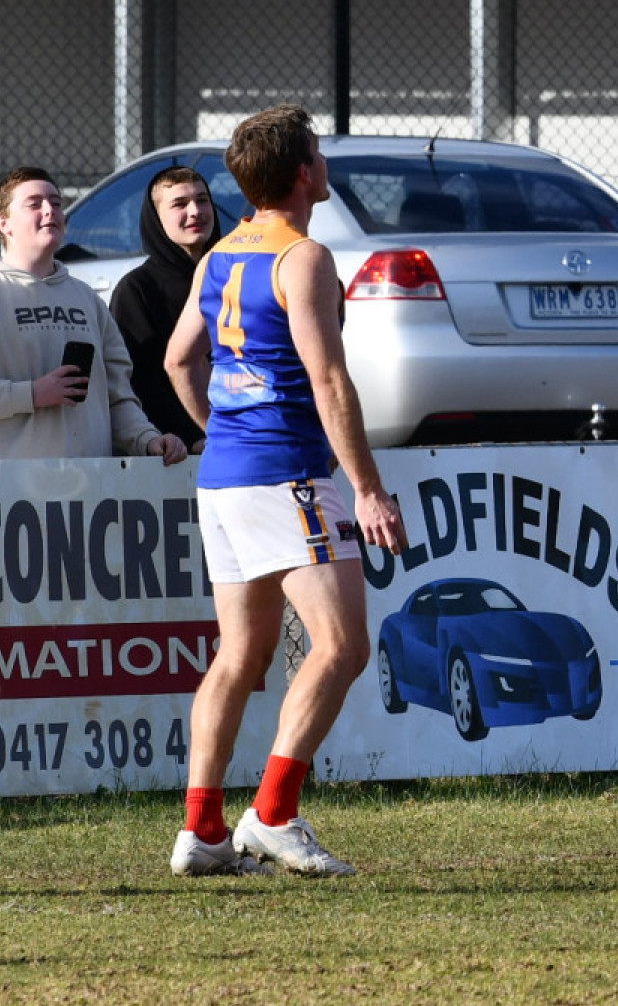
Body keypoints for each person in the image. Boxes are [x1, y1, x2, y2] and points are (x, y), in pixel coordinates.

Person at [163, 105, 407, 878]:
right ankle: (272, 813)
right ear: (303, 171)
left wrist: (222, 425)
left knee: (241, 652)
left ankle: (202, 830)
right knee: (341, 644)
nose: (324, 161)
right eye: (320, 150)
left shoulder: (219, 254)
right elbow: (330, 378)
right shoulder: (302, 257)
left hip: (226, 477)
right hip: (287, 472)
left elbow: (177, 361)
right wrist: (367, 490)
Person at [0, 165, 185, 465]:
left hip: (88, 493)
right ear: (4, 223)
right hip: (14, 494)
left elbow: (118, 396)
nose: (49, 210)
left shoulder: (88, 299)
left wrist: (147, 439)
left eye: (56, 203)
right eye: (34, 204)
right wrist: (32, 394)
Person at [111, 165, 223, 452]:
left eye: (202, 199)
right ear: (157, 219)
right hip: (174, 451)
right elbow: (140, 381)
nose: (196, 211)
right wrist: (191, 436)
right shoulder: (137, 289)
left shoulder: (233, 276)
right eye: (179, 204)